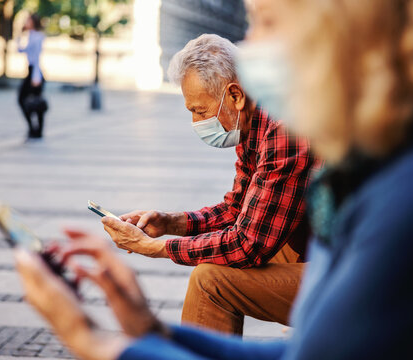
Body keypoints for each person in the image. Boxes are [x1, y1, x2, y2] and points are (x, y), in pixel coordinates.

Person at [14, 0, 413, 358]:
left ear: (348, 36)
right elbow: (239, 209)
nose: (250, 47)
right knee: (212, 274)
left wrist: (93, 339)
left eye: (268, 24)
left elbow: (250, 241)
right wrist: (153, 326)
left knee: (213, 275)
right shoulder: (382, 163)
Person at [100, 33, 318, 334]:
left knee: (210, 282)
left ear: (235, 95)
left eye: (199, 111)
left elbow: (248, 244)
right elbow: (236, 210)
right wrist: (171, 222)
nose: (196, 123)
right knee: (218, 261)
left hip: (357, 278)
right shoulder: (252, 123)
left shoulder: (284, 128)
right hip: (321, 251)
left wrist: (158, 248)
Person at [17, 13, 47, 140]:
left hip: (36, 72)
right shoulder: (29, 36)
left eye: (28, 20)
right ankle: (33, 129)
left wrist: (36, 77)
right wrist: (19, 34)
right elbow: (20, 50)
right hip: (31, 71)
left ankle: (37, 130)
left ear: (33, 22)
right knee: (27, 100)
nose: (25, 22)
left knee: (35, 101)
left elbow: (37, 58)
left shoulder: (38, 37)